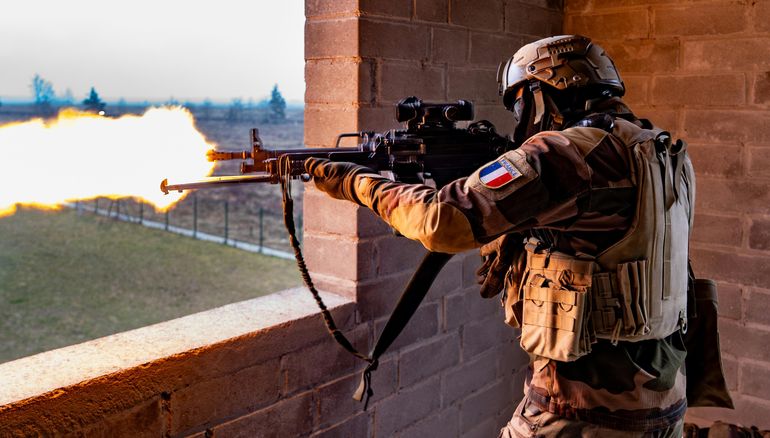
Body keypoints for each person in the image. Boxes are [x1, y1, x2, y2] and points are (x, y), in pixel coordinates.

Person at [305, 35, 699, 437]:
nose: (521, 117)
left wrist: (355, 182)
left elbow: (441, 222)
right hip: (662, 403)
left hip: (580, 412)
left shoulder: (566, 151)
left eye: (520, 103)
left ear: (541, 92)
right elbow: (610, 240)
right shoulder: (662, 152)